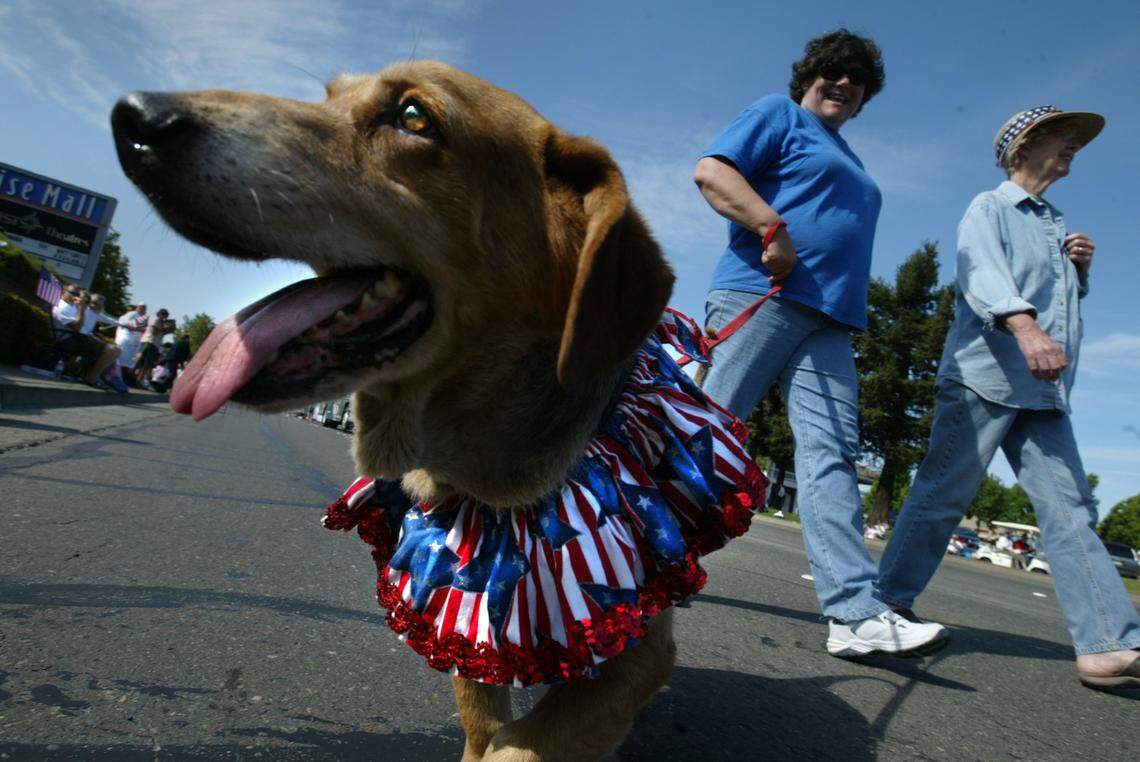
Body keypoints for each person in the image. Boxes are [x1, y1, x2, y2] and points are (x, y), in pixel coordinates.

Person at [693, 28, 948, 657]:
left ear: (865, 98)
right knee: (707, 437)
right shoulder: (777, 115)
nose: (844, 83)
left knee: (832, 454)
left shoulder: (852, 160)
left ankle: (854, 613)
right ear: (808, 77)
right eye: (832, 72)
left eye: (857, 79)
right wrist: (768, 225)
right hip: (766, 295)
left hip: (830, 320)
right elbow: (711, 170)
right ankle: (635, 560)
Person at [875, 106, 1140, 689]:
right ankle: (885, 606)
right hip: (985, 377)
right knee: (945, 492)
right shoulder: (990, 207)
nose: (1072, 146)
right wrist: (1027, 329)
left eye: (1075, 141)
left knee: (1072, 510)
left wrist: (1080, 274)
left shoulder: (1055, 222)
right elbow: (981, 275)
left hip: (1042, 390)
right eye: (1059, 137)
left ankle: (1108, 644)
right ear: (1022, 147)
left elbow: (1058, 305)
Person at [50, 286, 121, 388]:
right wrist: (81, 309)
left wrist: (87, 305)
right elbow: (78, 328)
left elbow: (94, 313)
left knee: (114, 350)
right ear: (63, 293)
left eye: (78, 295)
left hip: (78, 337)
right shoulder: (62, 307)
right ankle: (92, 378)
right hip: (69, 339)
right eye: (74, 293)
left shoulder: (72, 306)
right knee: (114, 351)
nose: (77, 297)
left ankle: (93, 375)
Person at [135, 308, 173, 386]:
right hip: (150, 342)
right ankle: (138, 379)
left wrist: (166, 330)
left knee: (147, 363)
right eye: (164, 315)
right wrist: (164, 329)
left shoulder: (160, 322)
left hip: (153, 343)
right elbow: (154, 331)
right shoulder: (157, 320)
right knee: (145, 363)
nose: (164, 317)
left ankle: (139, 379)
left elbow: (160, 333)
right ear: (160, 314)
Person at [115, 303, 148, 378]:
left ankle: (122, 377)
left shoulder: (141, 317)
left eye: (144, 308)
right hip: (127, 341)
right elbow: (127, 326)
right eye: (141, 307)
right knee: (122, 360)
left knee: (127, 361)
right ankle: (118, 377)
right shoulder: (132, 314)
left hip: (133, 342)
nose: (143, 309)